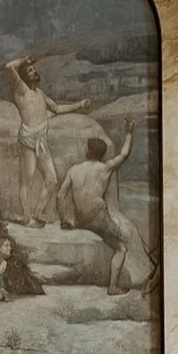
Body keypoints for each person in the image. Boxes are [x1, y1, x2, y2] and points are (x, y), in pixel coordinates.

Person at [4, 53, 90, 227]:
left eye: (34, 69)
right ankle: (27, 219)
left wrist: (80, 105)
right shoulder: (21, 89)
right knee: (26, 181)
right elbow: (8, 67)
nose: (34, 72)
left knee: (51, 180)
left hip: (41, 140)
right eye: (30, 70)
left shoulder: (41, 94)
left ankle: (38, 213)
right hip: (28, 140)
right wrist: (25, 60)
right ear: (23, 76)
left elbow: (57, 109)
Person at [57, 120, 136, 295]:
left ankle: (113, 285)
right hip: (98, 217)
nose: (85, 149)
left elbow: (60, 195)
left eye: (86, 147)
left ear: (89, 151)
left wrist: (64, 219)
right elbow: (124, 154)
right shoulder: (105, 168)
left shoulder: (74, 169)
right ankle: (113, 286)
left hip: (80, 219)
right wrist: (129, 133)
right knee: (122, 247)